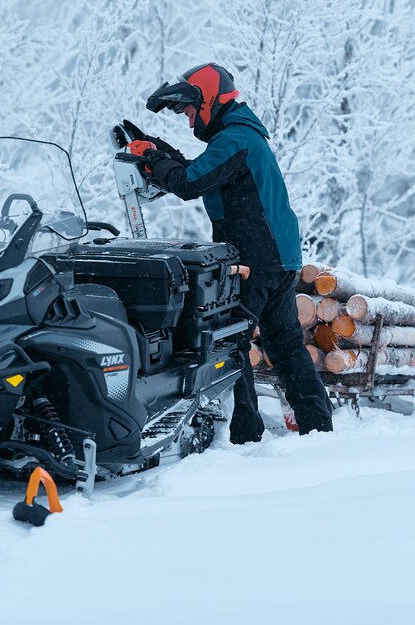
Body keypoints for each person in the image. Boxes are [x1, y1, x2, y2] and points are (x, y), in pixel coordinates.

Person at [114, 62, 333, 442]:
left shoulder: (236, 138)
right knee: (285, 345)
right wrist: (155, 148)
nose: (188, 121)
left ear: (208, 102)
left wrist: (151, 157)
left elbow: (188, 182)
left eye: (187, 111)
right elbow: (196, 170)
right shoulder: (239, 136)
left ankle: (244, 434)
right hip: (277, 256)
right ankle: (318, 425)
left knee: (230, 340)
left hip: (258, 258)